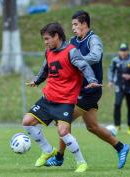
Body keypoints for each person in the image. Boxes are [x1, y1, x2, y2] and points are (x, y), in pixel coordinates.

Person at [45, 10, 130, 170]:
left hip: (91, 90)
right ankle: (121, 147)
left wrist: (75, 60)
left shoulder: (94, 39)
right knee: (92, 127)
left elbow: (96, 56)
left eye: (76, 24)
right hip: (77, 90)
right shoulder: (72, 41)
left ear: (84, 24)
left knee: (64, 120)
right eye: (72, 25)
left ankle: (59, 157)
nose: (73, 28)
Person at [22, 22, 102, 173]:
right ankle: (47, 150)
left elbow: (84, 66)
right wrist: (36, 81)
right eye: (44, 39)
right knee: (27, 122)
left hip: (65, 100)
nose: (45, 42)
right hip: (48, 98)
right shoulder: (49, 52)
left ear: (56, 36)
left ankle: (81, 162)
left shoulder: (71, 52)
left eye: (47, 39)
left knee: (63, 132)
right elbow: (45, 68)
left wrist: (92, 81)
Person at [108, 42, 130, 135]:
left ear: (128, 51)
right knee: (117, 104)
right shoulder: (115, 60)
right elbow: (111, 70)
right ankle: (117, 125)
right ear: (119, 51)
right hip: (119, 87)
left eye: (124, 50)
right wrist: (111, 80)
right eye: (121, 50)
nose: (123, 52)